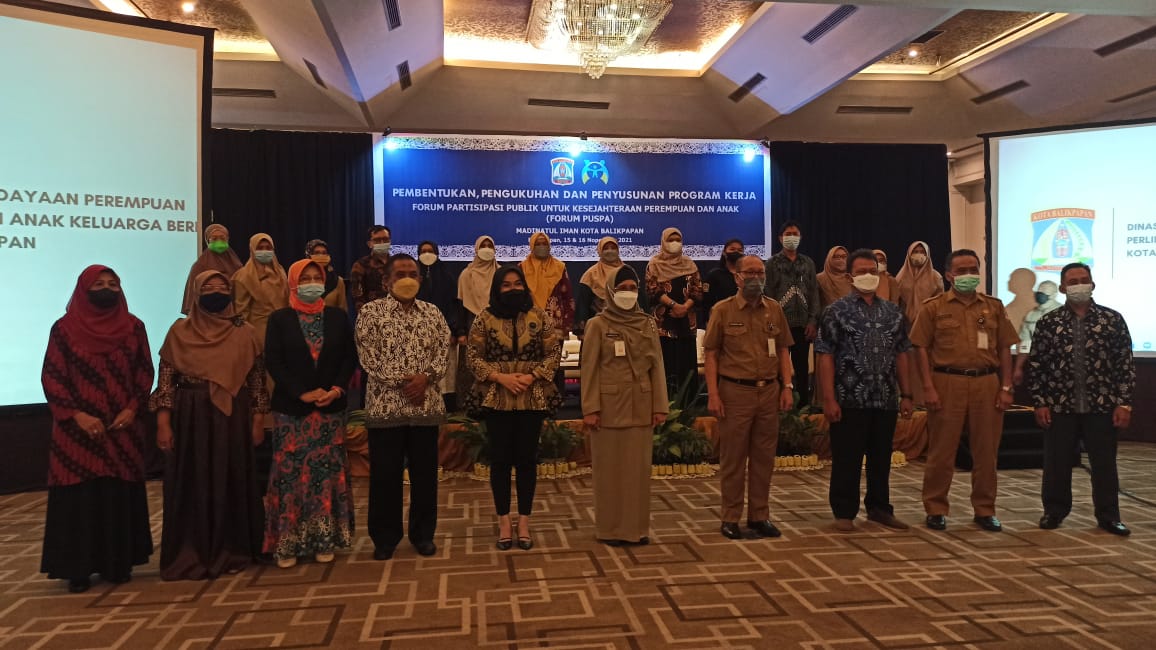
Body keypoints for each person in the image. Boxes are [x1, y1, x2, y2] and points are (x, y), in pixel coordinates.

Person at [40, 266, 155, 593]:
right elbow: (52, 376)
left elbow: (144, 372)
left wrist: (132, 408)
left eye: (113, 284)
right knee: (79, 499)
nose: (107, 289)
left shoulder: (134, 327)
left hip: (122, 428)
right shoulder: (64, 329)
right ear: (83, 289)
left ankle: (118, 563)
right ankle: (77, 568)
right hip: (76, 433)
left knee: (117, 494)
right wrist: (76, 415)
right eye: (99, 284)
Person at [150, 270, 268, 580]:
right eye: (208, 287)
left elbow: (257, 381)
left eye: (222, 286)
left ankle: (233, 548)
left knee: (232, 478)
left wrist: (258, 420)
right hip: (191, 416)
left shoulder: (245, 332)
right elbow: (166, 381)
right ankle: (193, 551)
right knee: (194, 480)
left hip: (233, 416)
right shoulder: (179, 332)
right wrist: (163, 422)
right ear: (195, 294)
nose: (216, 291)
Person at [910, 249, 1017, 533]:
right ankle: (935, 508)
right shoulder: (933, 307)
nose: (968, 275)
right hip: (947, 382)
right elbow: (920, 348)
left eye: (973, 269)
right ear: (949, 275)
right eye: (962, 271)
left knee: (986, 452)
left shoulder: (994, 306)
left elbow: (1005, 347)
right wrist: (927, 387)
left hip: (986, 382)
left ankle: (985, 509)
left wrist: (1006, 386)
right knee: (942, 452)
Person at [355, 254, 450, 560]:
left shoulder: (433, 313)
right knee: (385, 476)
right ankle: (385, 538)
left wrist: (425, 379)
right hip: (386, 409)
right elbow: (368, 358)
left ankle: (423, 535)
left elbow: (443, 352)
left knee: (425, 477)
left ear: (421, 279)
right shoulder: (370, 313)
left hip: (425, 408)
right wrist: (407, 384)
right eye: (400, 274)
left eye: (413, 273)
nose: (407, 279)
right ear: (386, 281)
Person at [1028, 263, 1135, 536]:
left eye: (1083, 280)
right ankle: (1054, 511)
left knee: (1104, 464)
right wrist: (1040, 402)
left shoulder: (1112, 320)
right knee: (1057, 463)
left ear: (1093, 284)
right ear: (1063, 288)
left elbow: (1124, 364)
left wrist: (1124, 402)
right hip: (1059, 406)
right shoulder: (1049, 322)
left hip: (1102, 406)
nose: (1079, 285)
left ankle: (1109, 516)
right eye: (1072, 281)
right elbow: (1037, 365)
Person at [263, 260, 357, 568]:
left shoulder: (338, 317)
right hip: (292, 413)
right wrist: (300, 392)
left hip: (330, 411)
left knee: (325, 476)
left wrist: (336, 389)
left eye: (318, 277)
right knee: (291, 478)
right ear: (293, 282)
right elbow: (274, 362)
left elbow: (349, 358)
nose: (313, 282)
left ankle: (324, 539)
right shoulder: (279, 319)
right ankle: (289, 543)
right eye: (306, 278)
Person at [816, 249, 914, 533]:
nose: (868, 276)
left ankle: (880, 508)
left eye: (873, 271)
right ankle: (844, 512)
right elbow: (824, 355)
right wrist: (828, 398)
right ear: (850, 277)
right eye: (861, 272)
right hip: (849, 398)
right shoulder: (835, 311)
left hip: (885, 397)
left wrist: (907, 394)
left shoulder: (893, 313)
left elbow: (902, 354)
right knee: (847, 457)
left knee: (881, 458)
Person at [466, 266, 562, 551]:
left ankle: (524, 522)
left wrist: (532, 376)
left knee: (526, 461)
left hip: (532, 398)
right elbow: (472, 357)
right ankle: (504, 521)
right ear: (497, 289)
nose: (512, 289)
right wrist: (501, 377)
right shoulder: (484, 318)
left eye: (517, 284)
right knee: (500, 461)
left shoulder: (538, 316)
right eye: (506, 285)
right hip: (497, 397)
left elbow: (553, 352)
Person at [704, 255, 794, 540]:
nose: (756, 278)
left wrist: (787, 386)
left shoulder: (774, 309)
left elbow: (783, 350)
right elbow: (711, 354)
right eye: (750, 273)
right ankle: (730, 517)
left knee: (764, 458)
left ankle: (759, 516)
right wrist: (713, 394)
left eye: (760, 272)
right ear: (737, 277)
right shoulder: (722, 310)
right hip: (735, 392)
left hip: (769, 392)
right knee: (733, 458)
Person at [581, 266, 669, 546]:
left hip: (641, 405)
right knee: (609, 472)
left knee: (637, 473)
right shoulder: (597, 325)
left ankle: (636, 529)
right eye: (622, 289)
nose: (628, 293)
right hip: (608, 407)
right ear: (610, 291)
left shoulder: (647, 323)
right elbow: (589, 369)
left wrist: (660, 405)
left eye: (633, 288)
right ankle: (610, 530)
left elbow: (657, 366)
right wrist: (590, 408)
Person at [764, 221, 821, 405]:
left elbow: (813, 293)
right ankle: (778, 404)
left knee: (802, 367)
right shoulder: (771, 263)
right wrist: (771, 322)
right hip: (779, 325)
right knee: (777, 366)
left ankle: (803, 406)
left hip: (802, 325)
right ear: (780, 238)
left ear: (800, 237)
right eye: (788, 234)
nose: (791, 237)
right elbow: (767, 293)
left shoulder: (808, 263)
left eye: (795, 234)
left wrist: (813, 321)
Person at [645, 227, 704, 396]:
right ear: (663, 242)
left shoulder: (689, 264)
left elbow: (697, 290)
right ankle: (666, 404)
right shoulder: (654, 264)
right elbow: (652, 290)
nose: (675, 243)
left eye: (678, 240)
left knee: (686, 363)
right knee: (666, 363)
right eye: (671, 240)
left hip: (686, 322)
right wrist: (673, 305)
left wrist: (684, 307)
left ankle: (688, 404)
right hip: (663, 323)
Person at [894, 240, 944, 405]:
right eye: (916, 251)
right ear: (909, 254)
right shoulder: (900, 277)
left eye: (922, 252)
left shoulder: (935, 277)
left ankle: (925, 400)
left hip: (929, 328)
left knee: (926, 364)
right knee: (908, 364)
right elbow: (896, 304)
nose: (919, 255)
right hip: (906, 328)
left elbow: (940, 304)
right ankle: (909, 398)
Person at [417, 241, 462, 409]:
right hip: (419, 333)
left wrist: (453, 330)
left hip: (445, 331)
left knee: (446, 371)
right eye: (423, 251)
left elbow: (453, 305)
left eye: (430, 251)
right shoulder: (414, 278)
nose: (427, 254)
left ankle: (447, 405)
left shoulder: (447, 276)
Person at [456, 236, 500, 399]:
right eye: (483, 246)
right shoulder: (466, 274)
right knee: (472, 364)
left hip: (497, 323)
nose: (486, 249)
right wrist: (461, 332)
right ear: (476, 249)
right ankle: (470, 402)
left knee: (494, 364)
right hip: (472, 323)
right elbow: (461, 305)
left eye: (490, 246)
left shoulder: (500, 273)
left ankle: (494, 399)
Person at [232, 233, 289, 347]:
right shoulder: (243, 276)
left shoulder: (280, 271)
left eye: (268, 248)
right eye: (260, 248)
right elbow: (241, 311)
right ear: (252, 249)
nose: (264, 251)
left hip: (283, 328)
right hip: (259, 332)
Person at [181, 223, 243, 314]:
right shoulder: (200, 265)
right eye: (214, 239)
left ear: (227, 239)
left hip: (233, 314)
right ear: (208, 241)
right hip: (206, 314)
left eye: (222, 238)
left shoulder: (236, 264)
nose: (219, 241)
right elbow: (192, 297)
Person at [1012, 280, 1060, 385]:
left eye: (1044, 293)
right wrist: (1018, 368)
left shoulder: (1063, 313)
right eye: (1039, 292)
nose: (1040, 295)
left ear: (1053, 295)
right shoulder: (1031, 315)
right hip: (1037, 367)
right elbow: (1025, 344)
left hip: (1061, 368)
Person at [576, 236, 625, 335]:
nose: (610, 251)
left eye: (613, 248)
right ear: (599, 251)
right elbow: (583, 305)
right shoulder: (591, 274)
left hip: (625, 325)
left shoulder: (627, 272)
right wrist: (582, 331)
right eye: (606, 248)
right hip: (598, 328)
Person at [350, 225, 392, 313]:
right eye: (377, 240)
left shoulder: (396, 263)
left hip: (397, 313)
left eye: (385, 239)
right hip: (372, 314)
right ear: (369, 244)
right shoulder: (360, 265)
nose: (382, 243)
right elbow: (357, 296)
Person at [702, 238, 744, 325]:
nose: (736, 252)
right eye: (732, 249)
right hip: (721, 320)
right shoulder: (714, 275)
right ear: (724, 253)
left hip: (744, 318)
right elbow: (707, 302)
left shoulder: (747, 274)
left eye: (740, 250)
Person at [305, 238, 349, 312]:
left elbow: (343, 310)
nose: (321, 256)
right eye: (317, 253)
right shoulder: (301, 280)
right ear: (308, 256)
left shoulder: (337, 281)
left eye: (324, 253)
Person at [817, 246, 853, 312]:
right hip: (828, 316)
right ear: (829, 259)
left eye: (844, 256)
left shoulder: (852, 277)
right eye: (836, 257)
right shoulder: (820, 278)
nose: (841, 260)